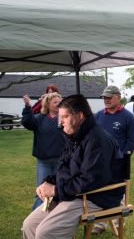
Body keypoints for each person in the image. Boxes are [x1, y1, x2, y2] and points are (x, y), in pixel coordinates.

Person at [22, 94, 125, 239]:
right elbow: (65, 169)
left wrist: (57, 190)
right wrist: (49, 181)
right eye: (60, 117)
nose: (60, 122)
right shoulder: (75, 137)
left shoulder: (98, 140)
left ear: (80, 116)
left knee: (46, 233)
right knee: (29, 225)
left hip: (95, 197)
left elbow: (90, 181)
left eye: (64, 117)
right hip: (74, 193)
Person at [93, 85, 134, 235]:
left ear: (118, 97)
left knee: (119, 191)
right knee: (98, 190)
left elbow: (132, 141)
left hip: (119, 163)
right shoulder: (98, 115)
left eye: (109, 97)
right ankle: (100, 223)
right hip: (100, 162)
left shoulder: (128, 117)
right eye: (104, 97)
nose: (106, 100)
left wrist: (120, 156)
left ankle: (119, 222)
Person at [22, 92, 64, 211]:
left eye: (59, 101)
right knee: (41, 190)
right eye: (55, 102)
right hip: (43, 162)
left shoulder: (64, 118)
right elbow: (27, 122)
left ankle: (55, 215)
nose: (58, 104)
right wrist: (27, 107)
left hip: (61, 161)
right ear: (48, 105)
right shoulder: (40, 118)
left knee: (59, 189)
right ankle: (35, 217)